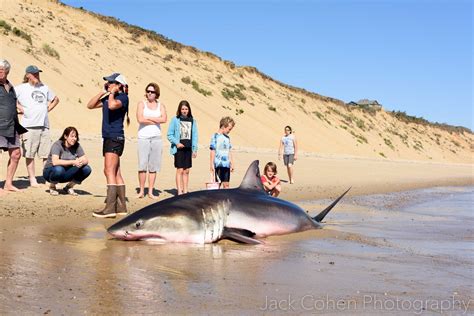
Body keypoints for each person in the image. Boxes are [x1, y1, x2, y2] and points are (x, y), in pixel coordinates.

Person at [87, 73, 129, 218]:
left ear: (119, 85)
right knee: (116, 172)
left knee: (108, 170)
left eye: (112, 82)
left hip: (114, 137)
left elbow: (111, 106)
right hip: (110, 137)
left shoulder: (123, 97)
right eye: (108, 82)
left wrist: (112, 94)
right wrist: (102, 92)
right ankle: (121, 207)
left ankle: (110, 209)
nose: (109, 84)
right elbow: (90, 105)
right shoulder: (108, 97)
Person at [15, 65, 59, 187]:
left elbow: (56, 99)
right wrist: (20, 108)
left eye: (38, 74)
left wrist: (47, 109)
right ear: (28, 75)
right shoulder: (20, 88)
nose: (37, 76)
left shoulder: (44, 87)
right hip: (28, 126)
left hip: (44, 126)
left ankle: (47, 178)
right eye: (34, 74)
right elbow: (10, 99)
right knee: (30, 154)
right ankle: (32, 179)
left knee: (46, 154)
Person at [0, 59, 28, 195]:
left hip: (12, 125)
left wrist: (18, 107)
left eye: (1, 69)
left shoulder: (10, 87)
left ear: (7, 71)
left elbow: (12, 102)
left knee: (16, 154)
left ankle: (8, 183)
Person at [136, 82, 167, 199]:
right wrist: (155, 120)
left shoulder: (161, 105)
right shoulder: (141, 104)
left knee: (153, 166)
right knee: (142, 165)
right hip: (143, 137)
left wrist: (148, 118)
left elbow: (164, 119)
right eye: (148, 91)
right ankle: (141, 191)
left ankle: (150, 191)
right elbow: (140, 119)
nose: (149, 93)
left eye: (152, 92)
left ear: (156, 93)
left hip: (156, 138)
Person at [43, 127, 91, 196]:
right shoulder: (57, 145)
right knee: (59, 169)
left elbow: (85, 160)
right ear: (65, 136)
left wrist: (80, 162)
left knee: (86, 169)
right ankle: (52, 187)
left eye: (75, 137)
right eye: (72, 136)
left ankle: (69, 187)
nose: (74, 139)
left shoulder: (77, 145)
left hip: (66, 172)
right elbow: (55, 162)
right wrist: (73, 162)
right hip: (51, 172)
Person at [167, 100, 198, 195]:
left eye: (186, 109)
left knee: (187, 170)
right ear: (180, 110)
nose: (184, 111)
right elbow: (169, 134)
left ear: (189, 110)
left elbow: (195, 136)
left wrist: (194, 149)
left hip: (188, 148)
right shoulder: (175, 120)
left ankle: (185, 191)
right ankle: (179, 191)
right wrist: (177, 143)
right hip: (179, 149)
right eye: (183, 109)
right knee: (180, 169)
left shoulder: (193, 120)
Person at [210, 116, 235, 189]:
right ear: (223, 126)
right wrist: (211, 164)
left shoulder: (227, 138)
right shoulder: (215, 136)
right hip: (218, 165)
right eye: (229, 129)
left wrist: (232, 163)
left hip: (226, 165)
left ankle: (226, 199)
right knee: (217, 184)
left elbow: (229, 151)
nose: (229, 131)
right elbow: (212, 150)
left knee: (226, 184)